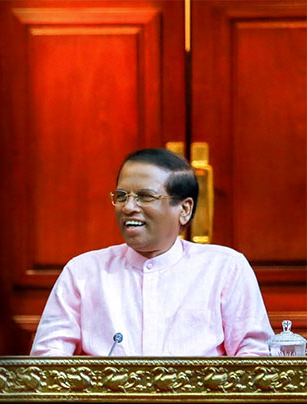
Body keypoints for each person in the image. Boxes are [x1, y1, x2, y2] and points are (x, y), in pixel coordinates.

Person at [31, 148, 273, 357]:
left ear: (184, 209)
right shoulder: (83, 271)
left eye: (145, 196)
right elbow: (48, 362)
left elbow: (255, 359)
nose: (128, 207)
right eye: (122, 196)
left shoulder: (224, 268)